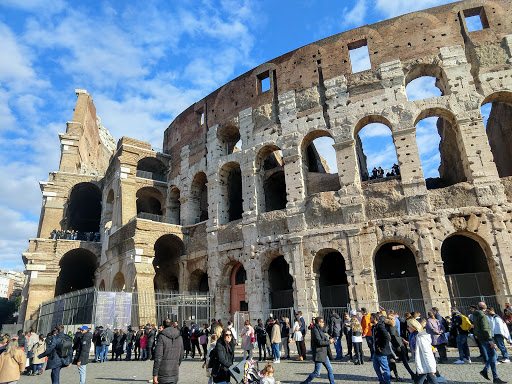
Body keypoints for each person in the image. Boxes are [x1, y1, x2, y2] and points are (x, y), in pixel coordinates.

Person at [473, 302, 507, 383]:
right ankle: (495, 377)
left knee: (493, 355)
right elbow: (485, 328)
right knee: (493, 355)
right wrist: (490, 340)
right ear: (485, 307)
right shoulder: (482, 316)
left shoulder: (475, 315)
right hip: (486, 338)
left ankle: (485, 370)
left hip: (481, 337)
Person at [299, 317, 335, 384]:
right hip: (319, 353)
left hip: (324, 353)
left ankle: (332, 383)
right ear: (319, 322)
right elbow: (319, 342)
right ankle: (305, 382)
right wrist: (329, 342)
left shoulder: (321, 330)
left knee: (330, 369)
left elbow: (324, 338)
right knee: (317, 372)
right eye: (322, 322)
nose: (323, 323)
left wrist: (329, 340)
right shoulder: (315, 330)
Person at [152, 319, 184, 384]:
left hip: (163, 372)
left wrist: (155, 374)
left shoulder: (161, 337)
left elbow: (158, 357)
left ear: (163, 326)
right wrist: (177, 365)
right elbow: (181, 355)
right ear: (172, 325)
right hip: (174, 371)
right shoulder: (179, 337)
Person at [408, 318, 438, 384]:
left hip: (424, 362)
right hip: (421, 362)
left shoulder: (420, 337)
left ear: (413, 327)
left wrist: (431, 367)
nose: (407, 328)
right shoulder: (414, 335)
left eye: (408, 326)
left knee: (428, 379)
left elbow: (426, 352)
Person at [371, 313, 392, 384]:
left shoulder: (380, 326)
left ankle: (387, 382)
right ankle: (381, 381)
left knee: (385, 368)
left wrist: (382, 347)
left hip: (381, 351)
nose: (369, 319)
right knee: (376, 367)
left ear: (375, 319)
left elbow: (387, 337)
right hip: (375, 351)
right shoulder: (373, 327)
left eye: (371, 318)